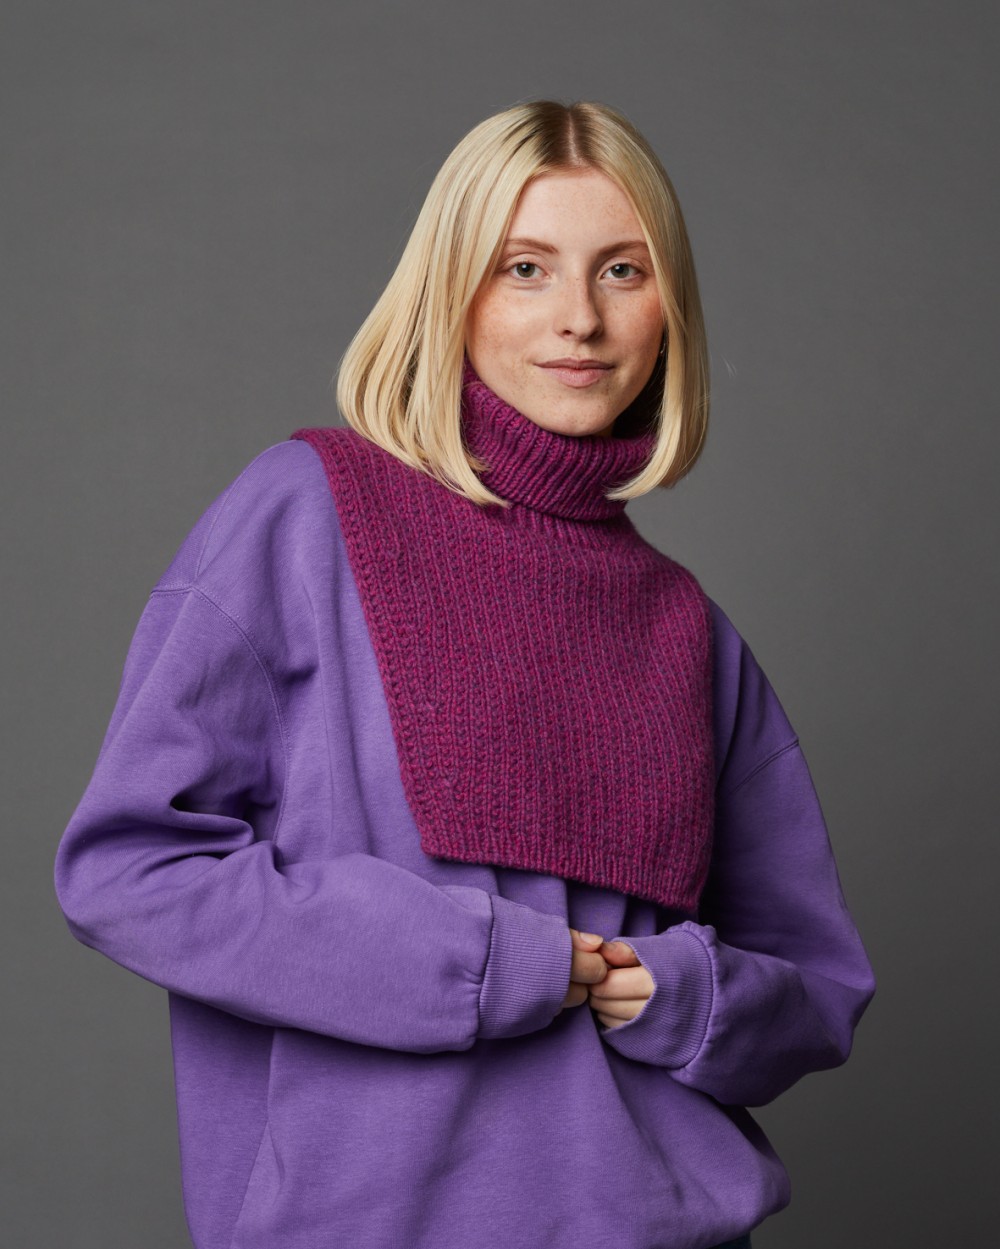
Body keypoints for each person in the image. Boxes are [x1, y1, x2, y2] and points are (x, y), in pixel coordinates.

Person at [53, 99, 875, 1249]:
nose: (580, 317)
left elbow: (814, 983)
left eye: (623, 270)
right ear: (452, 291)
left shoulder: (687, 626)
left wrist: (683, 992)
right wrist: (473, 959)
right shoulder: (305, 516)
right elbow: (129, 869)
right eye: (524, 268)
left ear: (668, 310)